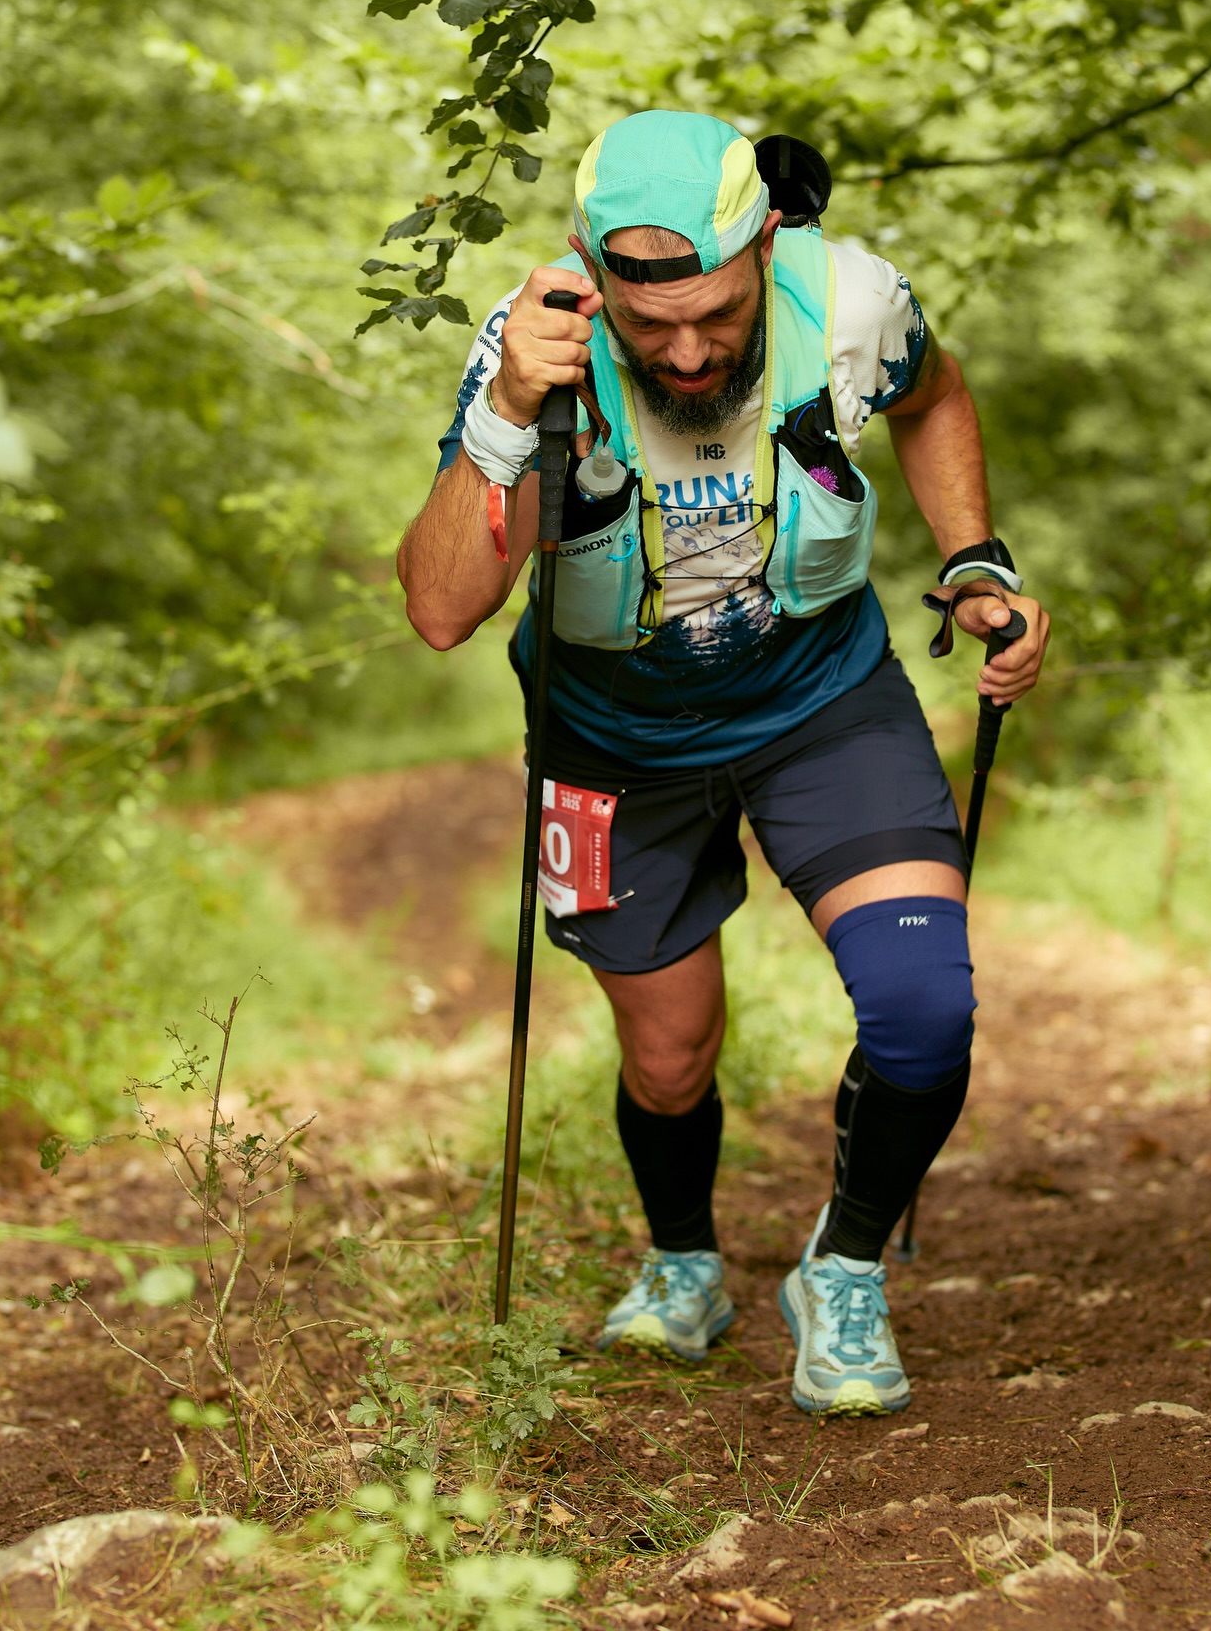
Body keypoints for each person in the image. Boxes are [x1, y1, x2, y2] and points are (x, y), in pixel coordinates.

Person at [398, 111, 1050, 1416]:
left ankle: (844, 1269)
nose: (688, 353)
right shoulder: (533, 346)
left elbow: (936, 397)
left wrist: (975, 556)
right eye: (652, 330)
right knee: (670, 1059)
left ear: (766, 245)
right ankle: (684, 1260)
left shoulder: (853, 302)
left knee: (925, 1014)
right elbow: (439, 607)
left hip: (824, 703)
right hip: (611, 738)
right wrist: (514, 410)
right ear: (593, 269)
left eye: (715, 315)